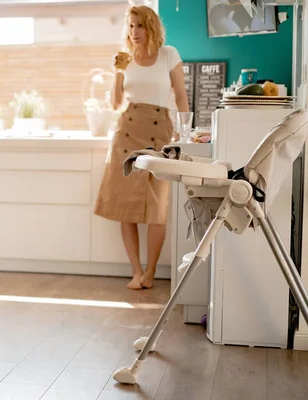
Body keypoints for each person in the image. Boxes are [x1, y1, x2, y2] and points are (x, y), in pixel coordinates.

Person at [95, 5, 189, 290]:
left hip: (160, 132)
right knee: (126, 206)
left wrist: (185, 134)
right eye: (130, 26)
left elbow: (182, 98)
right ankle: (136, 271)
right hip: (127, 132)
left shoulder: (168, 55)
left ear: (151, 26)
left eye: (139, 25)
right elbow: (114, 103)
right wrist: (118, 72)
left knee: (157, 207)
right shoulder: (126, 59)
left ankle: (150, 273)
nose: (134, 32)